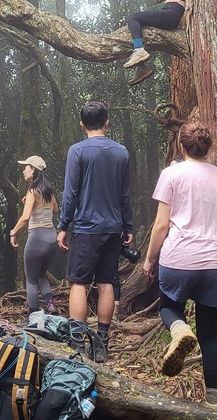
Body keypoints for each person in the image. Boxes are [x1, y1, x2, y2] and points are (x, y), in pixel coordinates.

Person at [142, 122, 217, 411]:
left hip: (178, 260)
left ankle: (179, 329)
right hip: (214, 263)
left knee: (168, 308)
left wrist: (149, 259)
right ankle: (213, 401)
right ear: (207, 148)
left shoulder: (171, 174)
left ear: (181, 147)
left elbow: (161, 224)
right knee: (210, 335)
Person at [57, 101, 133, 363]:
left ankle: (77, 341)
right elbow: (124, 194)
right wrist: (128, 226)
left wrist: (63, 226)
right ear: (107, 123)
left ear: (82, 125)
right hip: (113, 228)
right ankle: (102, 342)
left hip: (86, 228)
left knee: (78, 281)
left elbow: (71, 193)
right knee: (106, 282)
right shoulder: (121, 152)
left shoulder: (77, 152)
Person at [9, 155, 60, 316]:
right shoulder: (48, 191)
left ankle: (33, 315)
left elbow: (25, 217)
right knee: (40, 276)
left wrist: (13, 232)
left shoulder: (32, 190)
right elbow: (55, 210)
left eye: (27, 167)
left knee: (30, 279)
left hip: (37, 239)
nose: (24, 170)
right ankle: (51, 305)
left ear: (34, 170)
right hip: (52, 239)